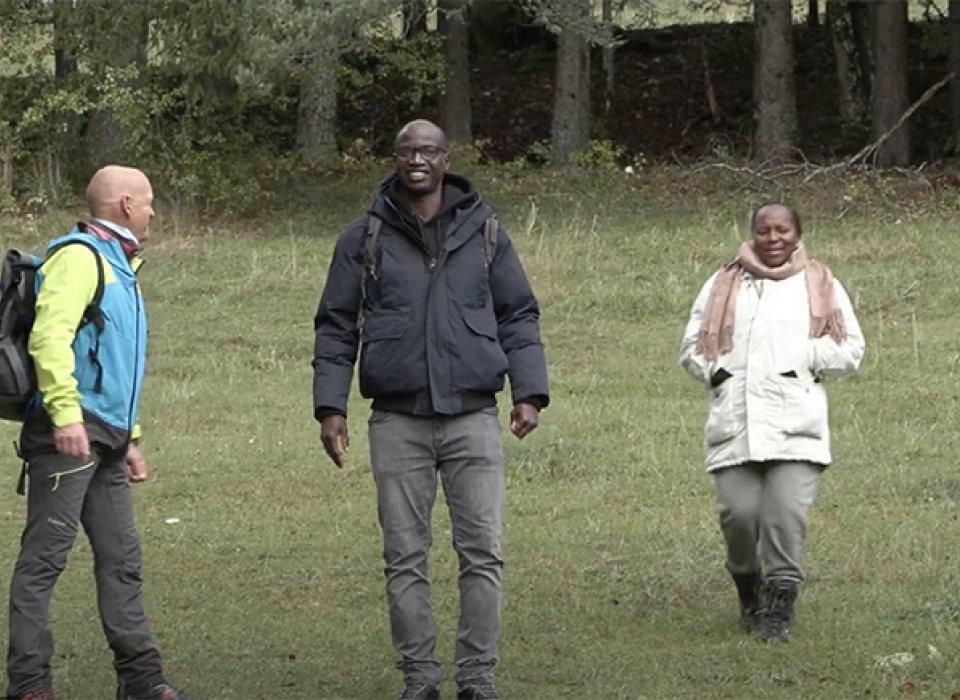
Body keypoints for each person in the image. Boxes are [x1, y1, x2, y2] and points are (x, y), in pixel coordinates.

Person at [312, 119, 549, 700]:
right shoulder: (363, 236)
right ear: (394, 160)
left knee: (483, 554)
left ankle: (477, 678)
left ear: (447, 161)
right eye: (406, 151)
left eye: (428, 151)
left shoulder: (486, 231)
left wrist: (529, 392)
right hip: (397, 420)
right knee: (403, 556)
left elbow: (517, 314)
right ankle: (419, 678)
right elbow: (336, 324)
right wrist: (329, 406)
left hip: (473, 416)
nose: (417, 159)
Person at [5, 166, 192, 700]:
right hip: (68, 436)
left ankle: (141, 681)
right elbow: (49, 336)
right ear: (127, 204)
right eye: (151, 202)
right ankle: (29, 685)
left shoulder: (122, 265)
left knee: (122, 560)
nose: (155, 212)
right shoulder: (79, 257)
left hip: (105, 439)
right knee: (44, 559)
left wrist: (130, 438)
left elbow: (113, 361)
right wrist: (64, 414)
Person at [677, 202, 864, 643]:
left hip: (796, 424)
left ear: (797, 234)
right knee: (738, 515)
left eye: (783, 230)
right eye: (765, 231)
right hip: (734, 423)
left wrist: (807, 357)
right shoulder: (723, 282)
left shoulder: (820, 282)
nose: (774, 239)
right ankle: (748, 588)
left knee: (785, 515)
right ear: (752, 234)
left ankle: (778, 608)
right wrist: (715, 372)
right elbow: (690, 347)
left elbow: (851, 348)